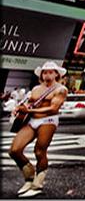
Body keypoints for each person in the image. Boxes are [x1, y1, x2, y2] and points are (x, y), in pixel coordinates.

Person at [8, 61, 69, 198]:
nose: (47, 74)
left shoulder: (61, 89)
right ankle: (29, 177)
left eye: (51, 72)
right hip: (32, 120)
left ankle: (37, 184)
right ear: (41, 74)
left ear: (56, 74)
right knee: (14, 150)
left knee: (39, 151)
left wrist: (31, 110)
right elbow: (27, 103)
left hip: (48, 120)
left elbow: (53, 108)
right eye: (45, 72)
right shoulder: (35, 89)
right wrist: (19, 108)